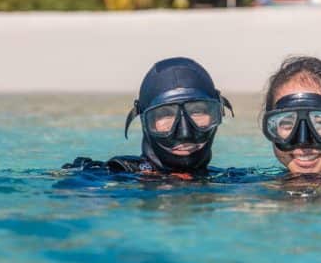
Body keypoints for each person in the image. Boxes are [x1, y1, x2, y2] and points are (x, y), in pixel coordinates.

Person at [63, 57, 233, 177]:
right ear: (144, 121)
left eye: (197, 112)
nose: (185, 133)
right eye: (166, 115)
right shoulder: (109, 176)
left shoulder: (231, 180)